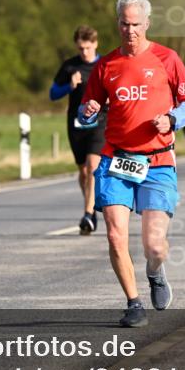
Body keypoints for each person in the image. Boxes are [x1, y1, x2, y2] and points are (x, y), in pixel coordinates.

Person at [78, 0, 185, 328]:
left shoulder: (166, 58)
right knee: (116, 235)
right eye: (124, 24)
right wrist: (87, 112)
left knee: (154, 245)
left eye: (136, 25)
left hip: (157, 162)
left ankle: (155, 271)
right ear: (117, 23)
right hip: (116, 160)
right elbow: (87, 110)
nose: (130, 30)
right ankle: (133, 303)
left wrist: (173, 120)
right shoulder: (106, 65)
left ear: (146, 24)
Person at [50, 25, 107, 234]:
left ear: (95, 44)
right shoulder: (69, 67)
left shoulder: (104, 65)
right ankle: (91, 209)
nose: (84, 52)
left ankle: (87, 213)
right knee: (83, 172)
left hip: (100, 122)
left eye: (88, 47)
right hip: (76, 124)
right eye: (81, 48)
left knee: (93, 165)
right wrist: (69, 87)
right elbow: (53, 93)